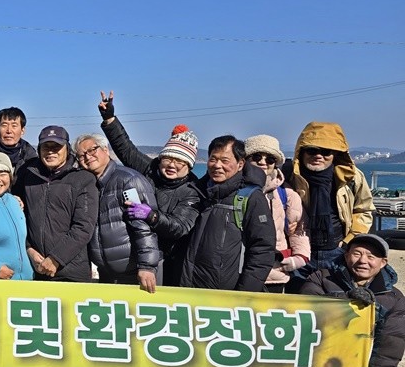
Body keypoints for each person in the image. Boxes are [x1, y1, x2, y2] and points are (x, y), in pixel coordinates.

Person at [98, 93, 201, 286]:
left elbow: (179, 227)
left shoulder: (192, 191)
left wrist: (151, 216)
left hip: (166, 261)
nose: (172, 165)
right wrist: (110, 118)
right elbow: (126, 149)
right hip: (134, 255)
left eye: (180, 161)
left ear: (189, 166)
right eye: (168, 158)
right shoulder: (150, 169)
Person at [296, 234, 404, 367]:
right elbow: (307, 310)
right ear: (346, 256)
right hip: (318, 362)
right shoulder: (320, 278)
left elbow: (388, 349)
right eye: (357, 254)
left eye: (371, 256)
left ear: (383, 262)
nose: (362, 261)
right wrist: (346, 300)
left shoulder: (394, 299)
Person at [179, 136, 275, 292]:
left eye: (225, 161)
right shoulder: (197, 192)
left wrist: (244, 294)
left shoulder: (250, 197)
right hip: (188, 290)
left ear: (240, 164)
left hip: (227, 297)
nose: (217, 166)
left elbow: (262, 250)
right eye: (213, 159)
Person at [73, 133, 160, 292]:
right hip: (106, 273)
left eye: (92, 150)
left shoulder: (129, 180)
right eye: (81, 155)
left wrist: (147, 266)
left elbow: (143, 227)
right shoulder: (90, 184)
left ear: (105, 149)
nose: (88, 157)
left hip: (132, 272)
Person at [282, 122, 374, 271]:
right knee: (300, 293)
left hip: (338, 252)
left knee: (337, 293)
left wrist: (349, 241)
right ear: (301, 151)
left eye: (326, 152)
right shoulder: (288, 176)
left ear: (336, 154)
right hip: (299, 250)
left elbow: (364, 210)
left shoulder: (351, 177)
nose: (318, 156)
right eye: (312, 150)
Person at [13, 125, 99, 283]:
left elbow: (84, 226)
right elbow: (18, 218)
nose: (51, 151)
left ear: (67, 148)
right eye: (46, 147)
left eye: (56, 147)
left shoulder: (83, 179)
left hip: (71, 271)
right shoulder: (28, 175)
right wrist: (28, 249)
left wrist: (56, 259)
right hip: (34, 268)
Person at [244, 134, 310, 292]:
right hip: (238, 271)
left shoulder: (286, 194)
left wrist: (298, 259)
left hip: (276, 274)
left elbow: (300, 231)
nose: (262, 162)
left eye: (270, 159)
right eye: (256, 157)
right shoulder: (233, 191)